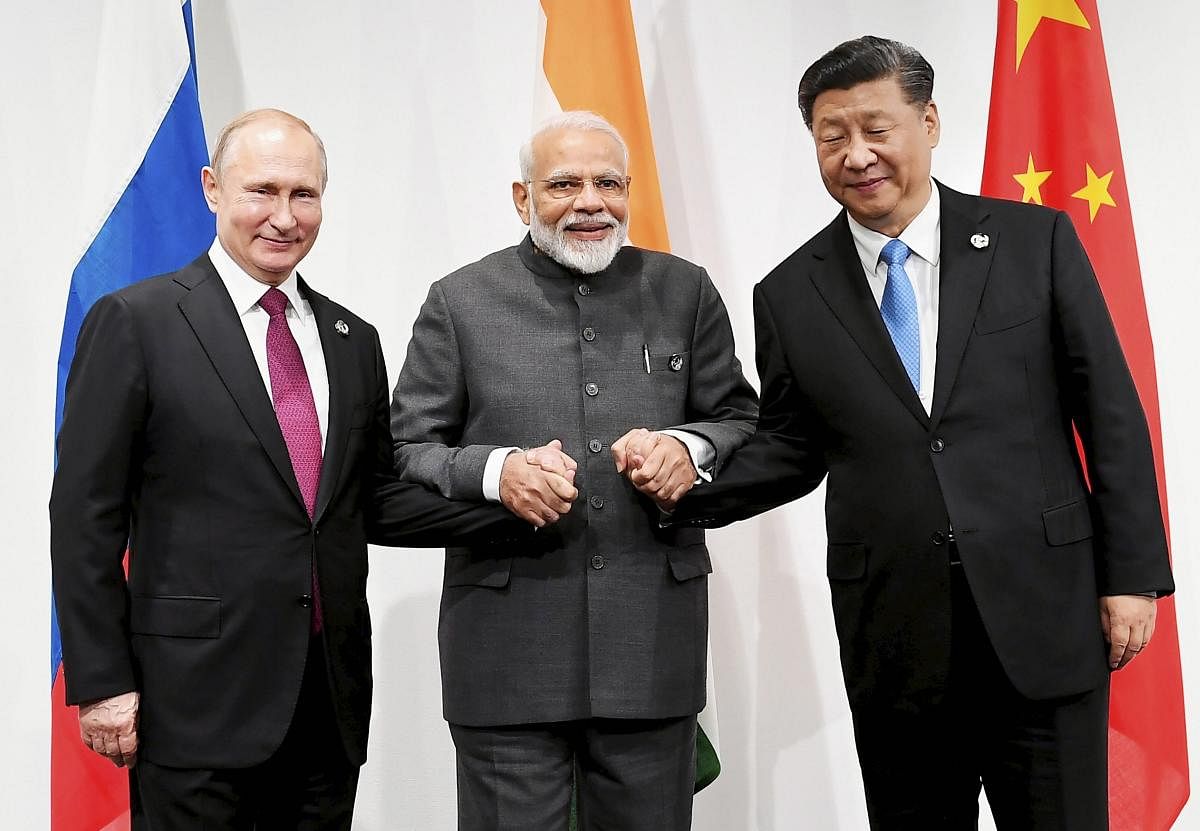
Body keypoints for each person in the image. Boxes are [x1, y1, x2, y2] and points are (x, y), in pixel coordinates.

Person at [665, 36, 1174, 830]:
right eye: (832, 137)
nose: (857, 155)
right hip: (897, 639)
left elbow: (1108, 411)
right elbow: (792, 445)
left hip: (1044, 619)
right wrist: (680, 489)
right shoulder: (789, 292)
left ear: (928, 121)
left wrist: (1133, 577)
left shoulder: (1033, 242)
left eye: (877, 127)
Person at [50, 108, 523, 830]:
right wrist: (103, 680)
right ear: (212, 189)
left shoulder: (351, 337)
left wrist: (509, 496)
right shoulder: (136, 322)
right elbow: (85, 515)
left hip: (325, 709)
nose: (284, 216)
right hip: (193, 706)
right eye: (261, 190)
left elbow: (372, 500)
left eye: (304, 194)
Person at [389, 110, 758, 830]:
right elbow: (407, 445)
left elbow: (738, 416)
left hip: (651, 643)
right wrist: (497, 471)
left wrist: (690, 446)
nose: (591, 201)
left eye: (608, 182)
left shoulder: (685, 290)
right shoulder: (458, 300)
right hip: (505, 650)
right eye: (564, 183)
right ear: (523, 199)